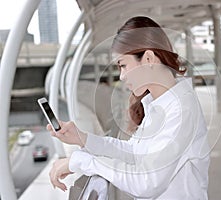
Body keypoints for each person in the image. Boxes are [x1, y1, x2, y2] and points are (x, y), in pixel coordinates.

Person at [47, 16, 210, 200]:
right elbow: (132, 153)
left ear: (148, 58)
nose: (122, 76)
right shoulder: (158, 104)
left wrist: (81, 162)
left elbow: (147, 182)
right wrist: (82, 138)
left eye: (123, 65)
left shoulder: (181, 110)